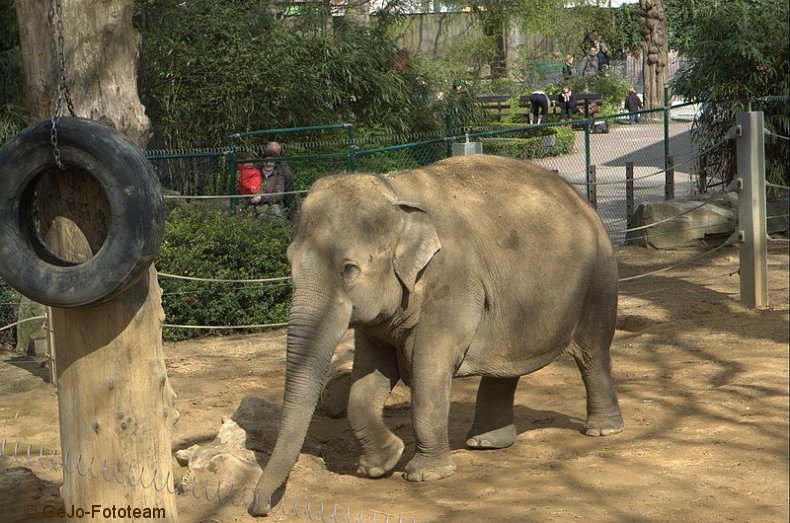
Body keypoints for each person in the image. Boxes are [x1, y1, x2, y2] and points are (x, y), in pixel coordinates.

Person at [250, 143, 288, 217]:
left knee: (275, 211)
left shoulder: (279, 176)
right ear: (263, 162)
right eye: (266, 161)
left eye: (271, 162)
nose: (268, 164)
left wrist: (262, 198)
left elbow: (279, 195)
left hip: (273, 206)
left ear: (275, 163)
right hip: (255, 205)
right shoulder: (255, 173)